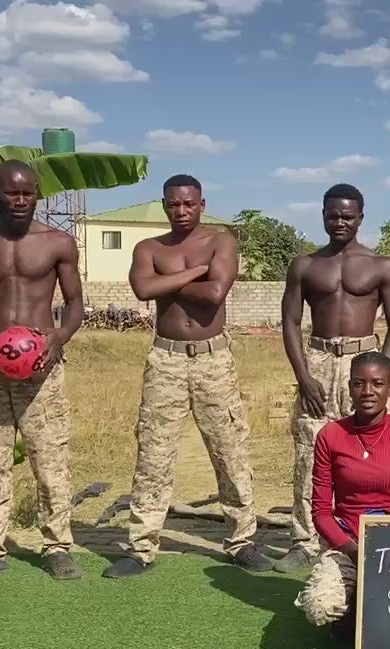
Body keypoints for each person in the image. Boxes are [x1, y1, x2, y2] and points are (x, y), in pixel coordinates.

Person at [102, 174, 271, 578]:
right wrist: (196, 272)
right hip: (166, 359)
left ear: (202, 204)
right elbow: (142, 290)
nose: (181, 211)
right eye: (174, 204)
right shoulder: (149, 247)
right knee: (154, 455)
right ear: (164, 205)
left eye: (189, 204)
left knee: (230, 451)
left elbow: (214, 294)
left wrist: (164, 284)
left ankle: (242, 541)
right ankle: (141, 548)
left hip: (214, 359)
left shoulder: (221, 240)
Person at [0, 160, 85, 580]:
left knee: (50, 458)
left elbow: (75, 303)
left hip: (41, 364)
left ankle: (57, 547)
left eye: (28, 193)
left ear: (37, 194)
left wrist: (59, 338)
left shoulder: (59, 242)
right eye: (12, 192)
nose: (21, 200)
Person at [279, 183, 390, 573]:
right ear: (322, 216)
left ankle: (376, 532)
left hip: (364, 361)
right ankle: (305, 540)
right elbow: (290, 321)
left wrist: (382, 368)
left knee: (375, 451)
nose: (340, 222)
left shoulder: (382, 266)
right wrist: (303, 374)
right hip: (319, 360)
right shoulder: (304, 265)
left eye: (348, 216)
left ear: (361, 218)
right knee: (310, 449)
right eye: (333, 215)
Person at [294, 351, 390, 635]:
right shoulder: (331, 436)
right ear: (349, 388)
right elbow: (321, 513)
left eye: (377, 384)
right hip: (349, 546)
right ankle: (350, 610)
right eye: (359, 383)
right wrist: (354, 552)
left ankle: (365, 611)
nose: (367, 391)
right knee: (319, 606)